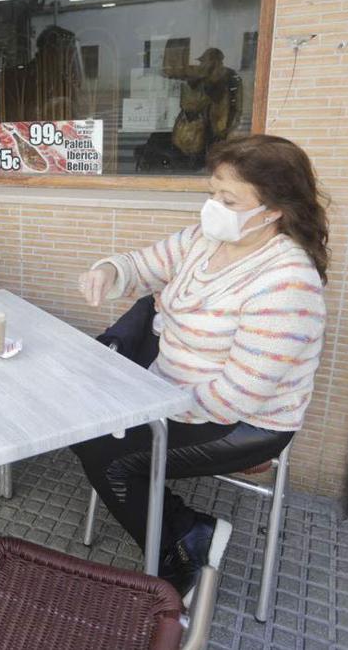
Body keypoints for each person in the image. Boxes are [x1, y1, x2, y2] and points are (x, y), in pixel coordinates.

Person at [73, 134, 328, 601]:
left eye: (228, 199)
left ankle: (181, 551)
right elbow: (143, 265)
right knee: (87, 428)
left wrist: (146, 411)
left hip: (242, 422)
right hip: (167, 394)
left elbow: (238, 394)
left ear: (272, 211)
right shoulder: (203, 239)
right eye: (212, 193)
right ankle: (190, 529)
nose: (213, 206)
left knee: (108, 457)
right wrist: (111, 271)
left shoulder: (287, 282)